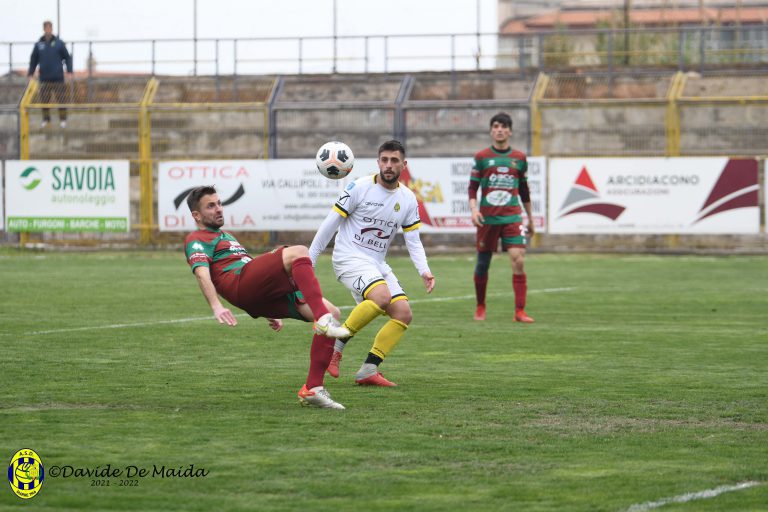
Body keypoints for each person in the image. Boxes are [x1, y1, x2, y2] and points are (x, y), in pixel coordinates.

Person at [184, 185, 351, 410]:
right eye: (211, 206)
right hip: (242, 285)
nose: (219, 209)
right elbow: (202, 273)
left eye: (219, 203)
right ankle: (322, 319)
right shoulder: (196, 239)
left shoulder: (226, 236)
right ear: (196, 215)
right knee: (299, 251)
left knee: (333, 312)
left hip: (256, 292)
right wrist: (216, 306)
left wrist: (267, 308)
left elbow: (253, 269)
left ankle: (313, 388)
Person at [309, 140, 435, 387]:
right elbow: (329, 224)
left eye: (394, 160)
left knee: (403, 314)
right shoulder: (359, 187)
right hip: (348, 258)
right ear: (378, 162)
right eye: (384, 160)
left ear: (404, 165)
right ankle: (336, 346)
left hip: (376, 263)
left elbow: (413, 240)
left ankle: (368, 370)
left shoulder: (408, 199)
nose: (388, 165)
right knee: (381, 296)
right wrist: (309, 260)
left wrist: (424, 270)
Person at [469, 112, 535, 323]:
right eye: (496, 126)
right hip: (487, 219)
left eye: (504, 127)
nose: (499, 130)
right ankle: (480, 306)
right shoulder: (481, 157)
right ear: (491, 131)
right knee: (483, 264)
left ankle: (519, 311)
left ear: (510, 131)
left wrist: (530, 218)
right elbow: (472, 188)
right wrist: (474, 210)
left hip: (512, 217)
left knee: (518, 259)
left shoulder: (519, 158)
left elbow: (524, 191)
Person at [27, 20, 73, 129]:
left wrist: (69, 71)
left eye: (50, 28)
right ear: (44, 29)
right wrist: (30, 73)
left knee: (61, 100)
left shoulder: (59, 43)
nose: (48, 30)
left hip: (58, 78)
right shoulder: (39, 44)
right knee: (44, 101)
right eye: (46, 28)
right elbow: (33, 60)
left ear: (52, 29)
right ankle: (46, 120)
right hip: (44, 78)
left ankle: (63, 120)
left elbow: (67, 57)